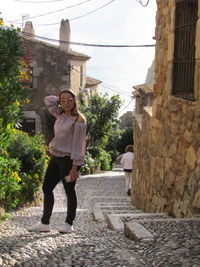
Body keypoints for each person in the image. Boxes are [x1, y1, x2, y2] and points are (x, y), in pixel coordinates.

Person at [28, 89, 87, 233]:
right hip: (56, 157)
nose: (66, 103)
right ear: (59, 103)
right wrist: (60, 100)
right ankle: (45, 223)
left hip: (69, 161)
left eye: (69, 99)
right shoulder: (59, 114)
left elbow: (79, 145)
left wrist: (75, 167)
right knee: (47, 188)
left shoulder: (79, 119)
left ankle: (68, 223)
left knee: (69, 191)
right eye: (63, 100)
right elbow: (48, 100)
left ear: (74, 101)